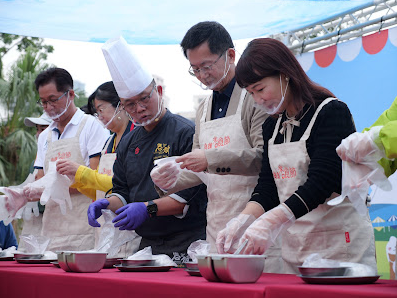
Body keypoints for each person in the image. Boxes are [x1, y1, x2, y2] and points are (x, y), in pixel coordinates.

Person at [216, 38, 376, 274]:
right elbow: (268, 187)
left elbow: (322, 182)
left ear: (284, 74)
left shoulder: (330, 112)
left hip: (339, 246)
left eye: (260, 89)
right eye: (251, 93)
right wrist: (242, 220)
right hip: (296, 248)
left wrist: (270, 221)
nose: (258, 100)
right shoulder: (272, 127)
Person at [87, 36, 207, 265]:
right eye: (130, 104)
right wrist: (107, 204)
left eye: (144, 98)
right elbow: (122, 191)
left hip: (188, 243)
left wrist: (145, 209)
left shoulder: (186, 132)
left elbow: (185, 199)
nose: (139, 108)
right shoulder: (128, 142)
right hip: (147, 246)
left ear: (158, 91)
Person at [151, 21, 268, 251]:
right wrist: (170, 179)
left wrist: (210, 159)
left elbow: (262, 158)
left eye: (207, 66)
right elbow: (200, 168)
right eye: (195, 69)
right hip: (217, 224)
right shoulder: (203, 109)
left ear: (231, 55)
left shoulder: (254, 97)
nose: (202, 75)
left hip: (256, 221)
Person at [25, 67, 109, 252]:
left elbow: (97, 178)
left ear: (70, 94)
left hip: (84, 226)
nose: (48, 107)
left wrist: (54, 185)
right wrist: (23, 193)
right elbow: (40, 179)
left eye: (53, 100)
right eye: (43, 102)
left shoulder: (91, 126)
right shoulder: (44, 136)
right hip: (52, 228)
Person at [56, 81, 133, 200]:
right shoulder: (109, 142)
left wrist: (82, 172)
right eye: (97, 113)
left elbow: (124, 185)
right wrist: (76, 178)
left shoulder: (137, 137)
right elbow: (98, 192)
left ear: (120, 105)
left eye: (101, 110)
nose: (100, 117)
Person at [19, 113, 51, 240]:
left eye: (43, 129)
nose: (38, 134)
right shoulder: (35, 161)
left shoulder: (62, 158)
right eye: (37, 129)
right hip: (35, 219)